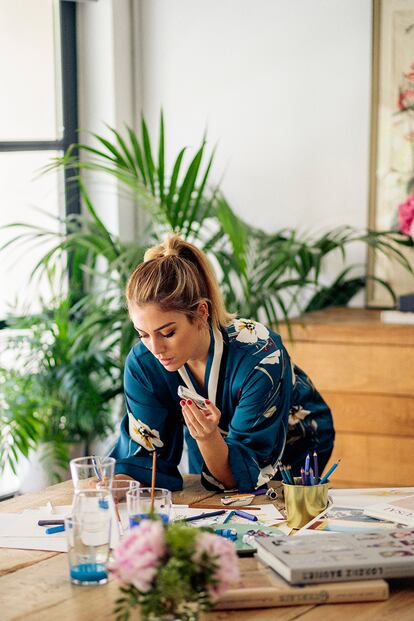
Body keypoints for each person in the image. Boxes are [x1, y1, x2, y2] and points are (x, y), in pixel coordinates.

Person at [110, 234, 335, 492]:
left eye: (168, 333)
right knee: (213, 506)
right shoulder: (143, 364)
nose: (155, 348)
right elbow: (146, 460)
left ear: (201, 312)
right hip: (208, 440)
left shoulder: (261, 354)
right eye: (143, 334)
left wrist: (208, 437)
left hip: (292, 442)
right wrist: (116, 482)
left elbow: (240, 477)